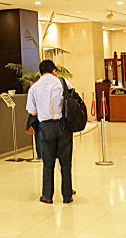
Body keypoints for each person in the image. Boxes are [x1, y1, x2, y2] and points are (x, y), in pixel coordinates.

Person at [26, 60, 74, 204]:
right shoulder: (63, 83)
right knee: (66, 162)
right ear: (54, 71)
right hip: (63, 126)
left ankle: (47, 196)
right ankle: (67, 196)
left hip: (46, 127)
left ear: (39, 72)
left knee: (48, 163)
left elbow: (32, 112)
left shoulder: (34, 88)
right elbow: (72, 101)